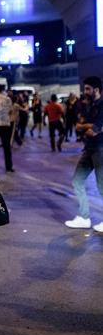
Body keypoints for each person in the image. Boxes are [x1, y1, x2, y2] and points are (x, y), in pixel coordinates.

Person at [65, 77, 103, 231]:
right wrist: (88, 126)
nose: (84, 92)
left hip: (101, 149)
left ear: (96, 89)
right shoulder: (88, 105)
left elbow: (93, 130)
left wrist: (88, 126)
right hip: (89, 149)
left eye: (87, 89)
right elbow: (79, 126)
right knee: (77, 181)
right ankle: (84, 217)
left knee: (102, 186)